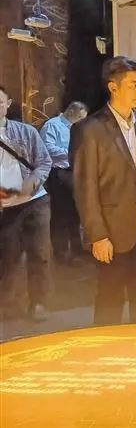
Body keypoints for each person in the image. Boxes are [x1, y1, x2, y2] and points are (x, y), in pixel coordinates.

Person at [71, 57, 136, 325]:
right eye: (133, 84)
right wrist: (97, 235)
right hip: (111, 225)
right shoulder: (90, 129)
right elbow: (85, 187)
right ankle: (106, 345)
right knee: (110, 295)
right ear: (113, 87)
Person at [0, 85, 53, 321]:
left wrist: (31, 182)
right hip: (5, 207)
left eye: (0, 102)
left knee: (39, 253)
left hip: (35, 201)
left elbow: (44, 161)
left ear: (7, 104)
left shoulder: (26, 132)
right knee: (7, 256)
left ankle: (38, 303)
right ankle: (7, 303)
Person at [40, 101, 88, 265]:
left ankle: (77, 248)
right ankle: (61, 254)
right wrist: (71, 154)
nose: (81, 121)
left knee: (75, 212)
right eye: (80, 117)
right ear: (71, 111)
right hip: (59, 173)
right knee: (60, 214)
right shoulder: (52, 125)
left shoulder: (77, 129)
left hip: (75, 172)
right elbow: (47, 148)